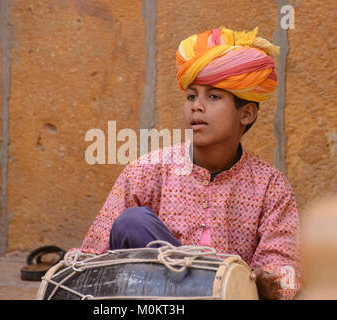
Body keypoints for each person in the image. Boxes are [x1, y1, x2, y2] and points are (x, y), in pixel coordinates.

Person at [72, 26, 301, 300]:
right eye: (191, 96)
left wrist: (268, 281)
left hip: (233, 296)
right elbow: (91, 256)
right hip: (153, 302)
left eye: (213, 97)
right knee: (132, 223)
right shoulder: (148, 170)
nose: (197, 106)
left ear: (247, 114)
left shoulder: (270, 186)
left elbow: (286, 267)